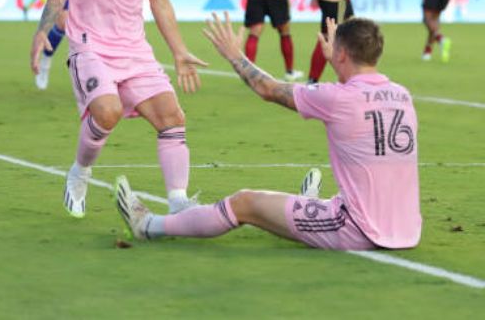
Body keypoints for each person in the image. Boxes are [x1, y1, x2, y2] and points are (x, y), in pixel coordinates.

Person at [116, 13, 422, 254]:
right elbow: (353, 100)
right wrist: (338, 61)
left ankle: (149, 225)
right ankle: (309, 207)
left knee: (244, 203)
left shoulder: (338, 98)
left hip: (357, 228)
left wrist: (234, 54)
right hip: (406, 228)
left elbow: (268, 89)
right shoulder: (402, 94)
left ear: (340, 54)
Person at [30, 0, 208, 219]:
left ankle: (178, 201)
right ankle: (80, 173)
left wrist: (179, 50)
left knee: (173, 118)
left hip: (134, 50)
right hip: (90, 46)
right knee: (107, 113)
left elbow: (160, 3)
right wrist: (42, 33)